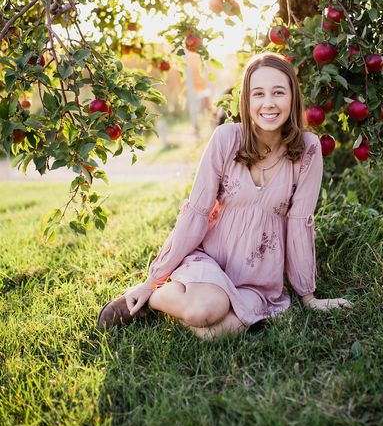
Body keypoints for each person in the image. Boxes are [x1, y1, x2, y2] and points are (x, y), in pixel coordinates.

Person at [97, 51, 352, 338]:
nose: (268, 103)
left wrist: (308, 296)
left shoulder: (309, 149)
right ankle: (153, 297)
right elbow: (197, 212)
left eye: (278, 92)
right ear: (247, 100)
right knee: (203, 312)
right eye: (258, 94)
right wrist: (152, 278)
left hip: (258, 281)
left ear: (292, 97)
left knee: (212, 333)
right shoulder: (226, 139)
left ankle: (172, 300)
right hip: (211, 262)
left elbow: (299, 223)